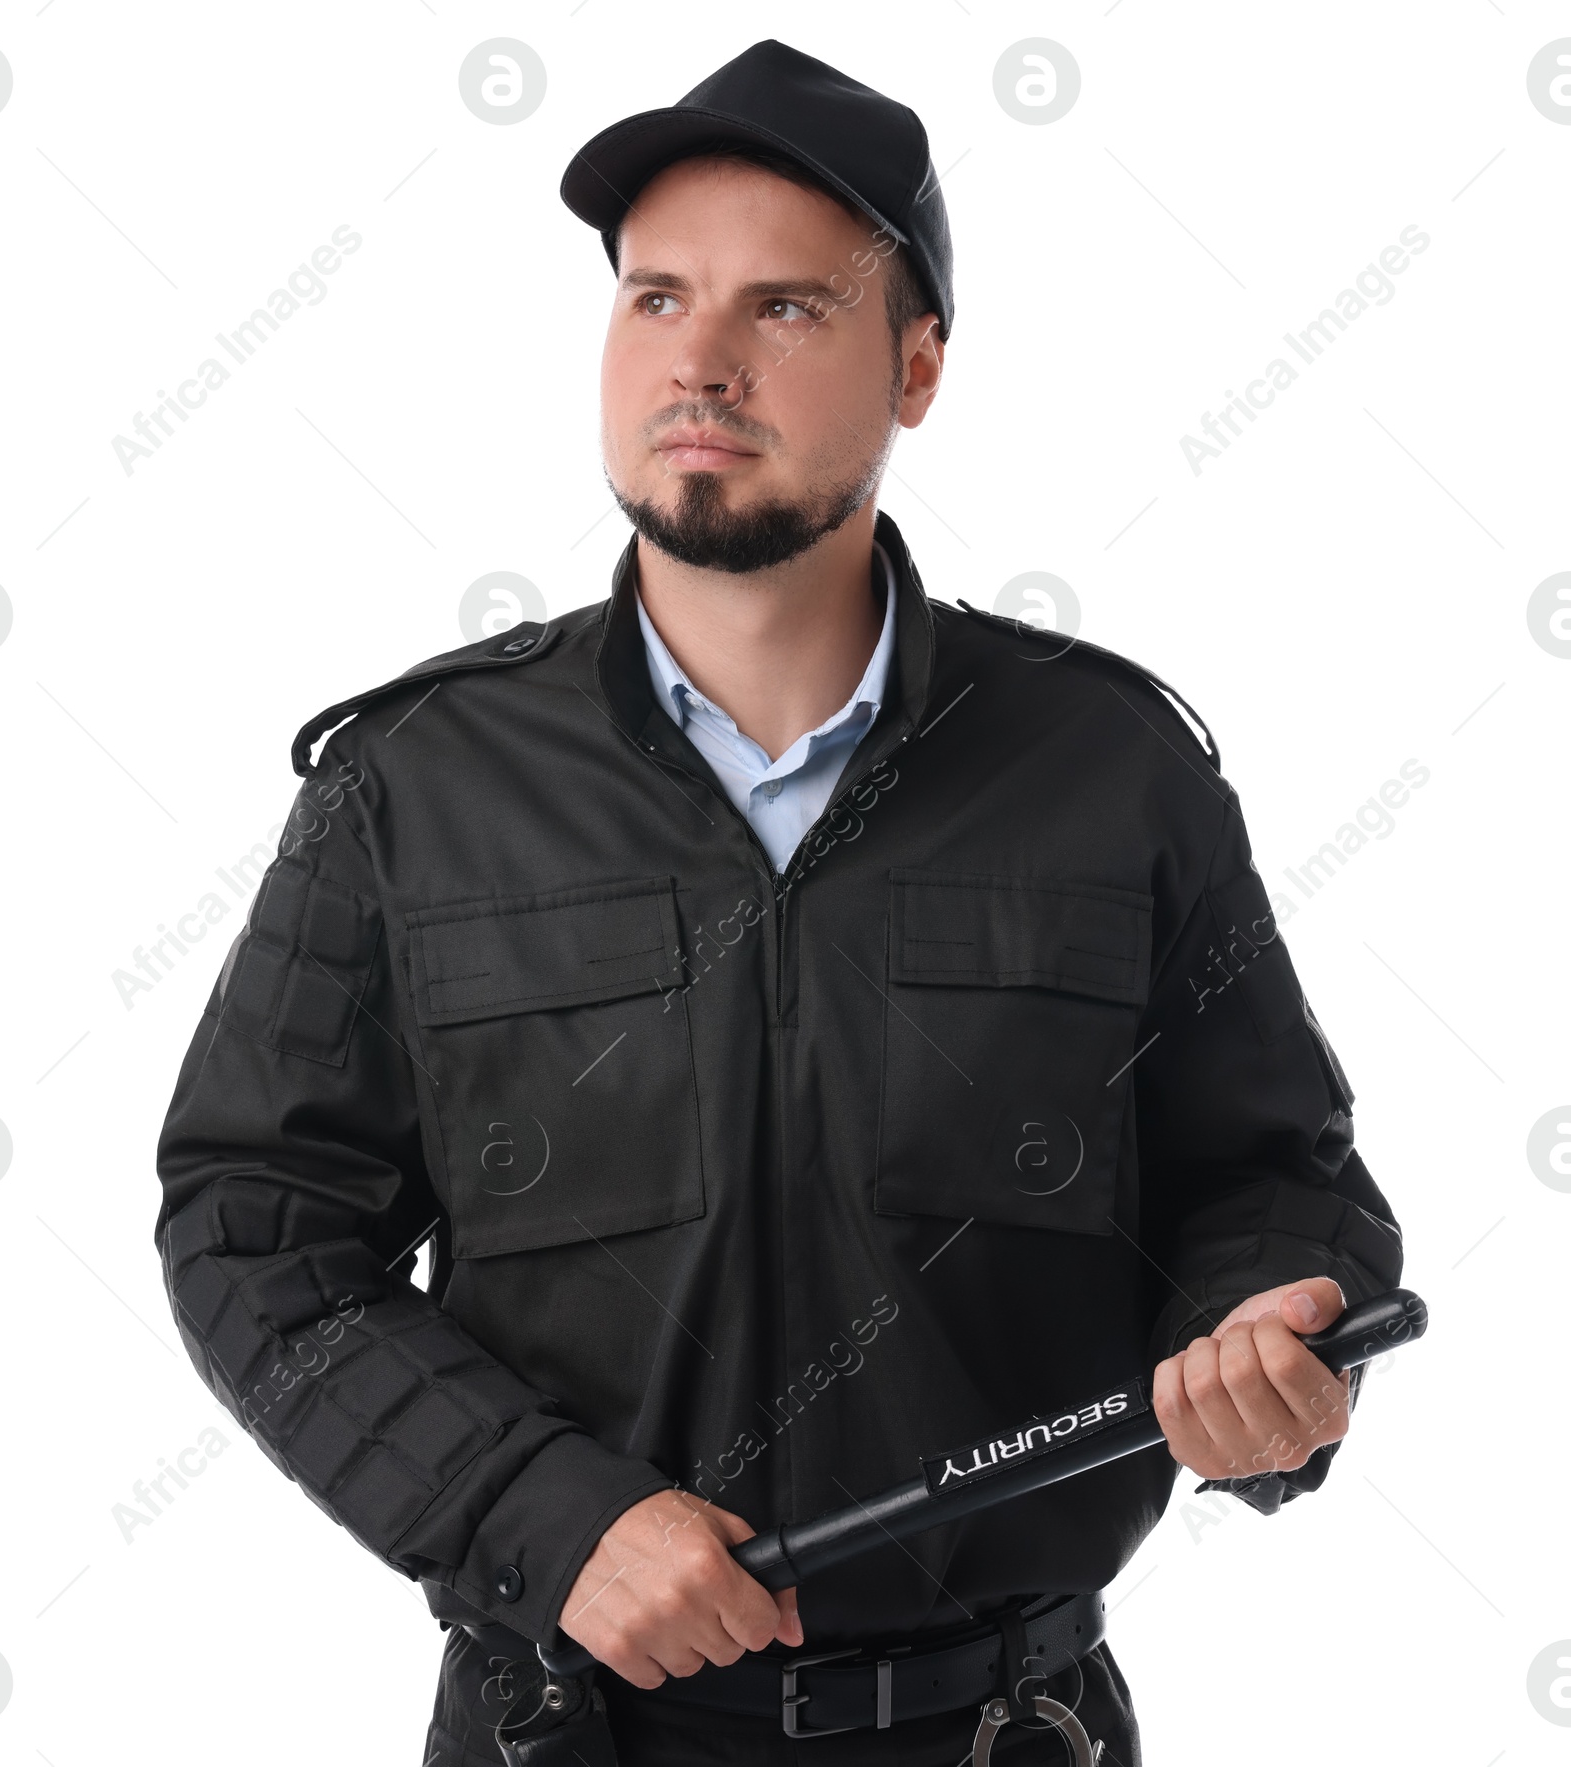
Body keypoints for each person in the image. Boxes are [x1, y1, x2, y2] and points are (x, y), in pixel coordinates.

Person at [153, 39, 1404, 1766]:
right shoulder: (416, 793)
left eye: (788, 310)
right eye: (657, 297)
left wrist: (1266, 1331)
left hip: (1003, 1732)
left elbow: (1272, 1180)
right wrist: (539, 1508)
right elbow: (256, 1224)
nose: (704, 360)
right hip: (566, 1734)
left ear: (920, 366)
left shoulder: (1113, 775)